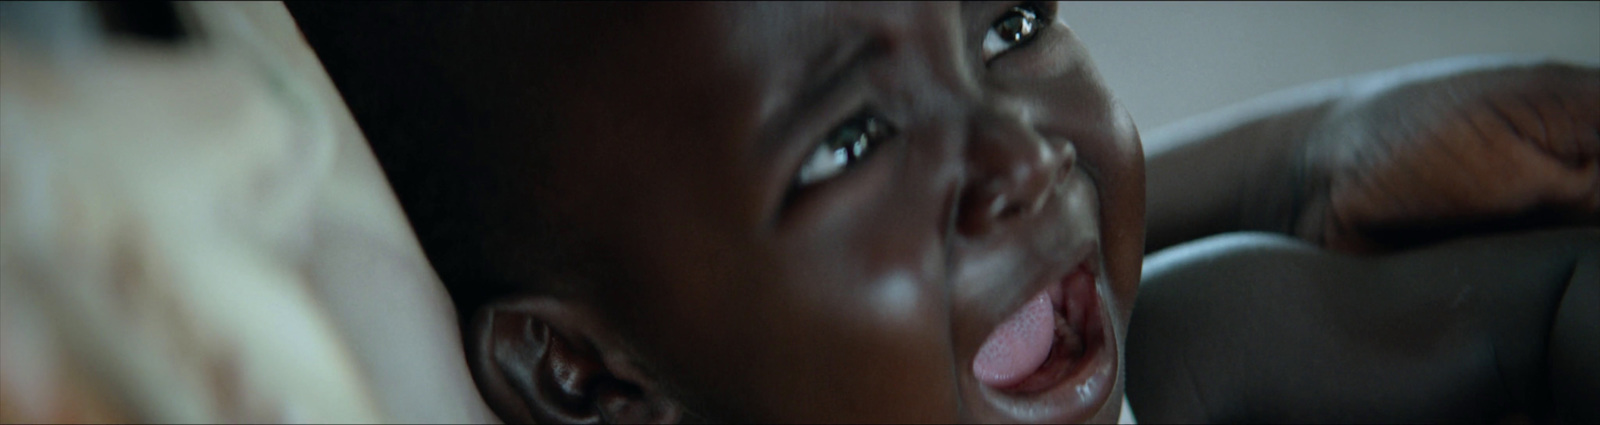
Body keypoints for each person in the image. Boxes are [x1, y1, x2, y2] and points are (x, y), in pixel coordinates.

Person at [2, 2, 1593, 423]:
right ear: (590, 377)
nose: (1023, 161)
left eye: (1009, 25)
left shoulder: (1175, 358)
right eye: (846, 146)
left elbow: (1541, 310)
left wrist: (1312, 150)